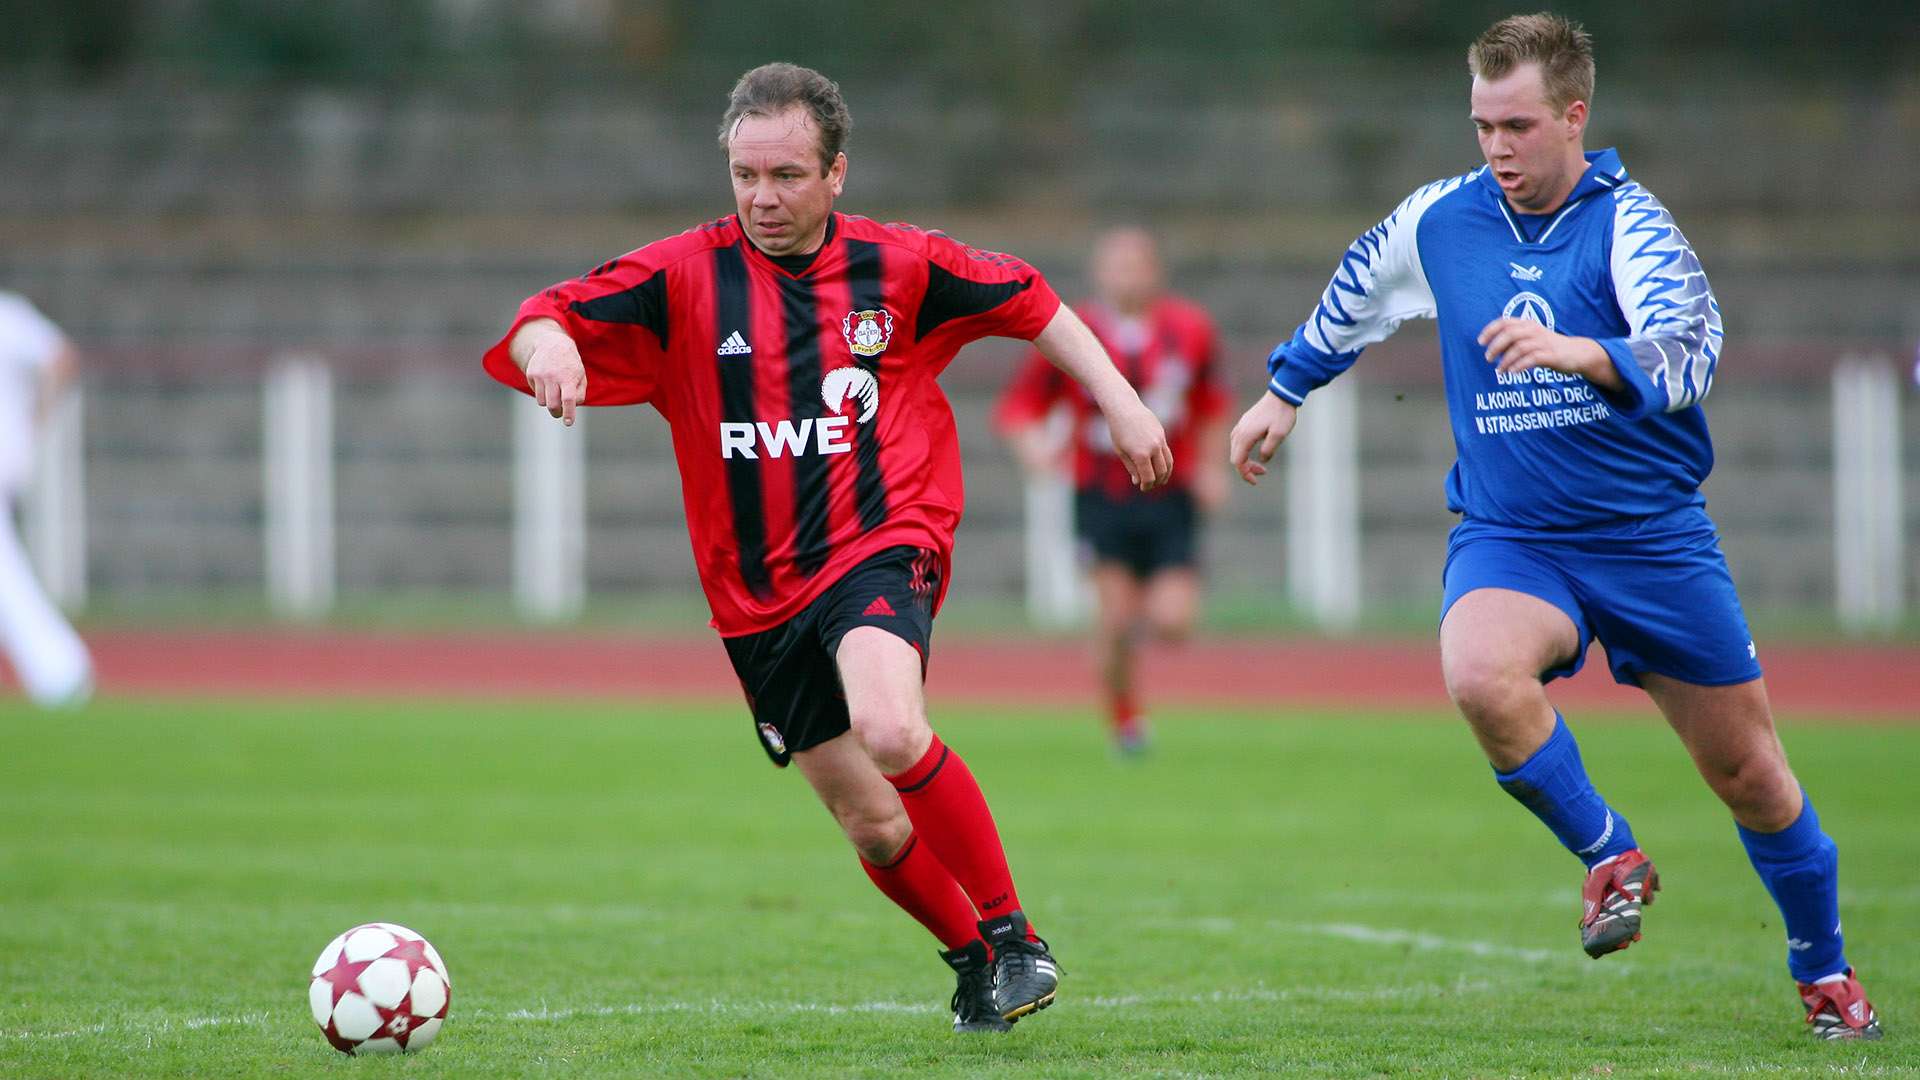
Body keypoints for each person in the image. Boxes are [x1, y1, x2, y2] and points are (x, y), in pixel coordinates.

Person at [1228, 13, 1881, 1040]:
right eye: (1483, 125)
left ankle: (1825, 972)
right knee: (1479, 674)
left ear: (1575, 117)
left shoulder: (1629, 224)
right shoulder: (1440, 218)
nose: (1497, 148)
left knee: (1751, 777)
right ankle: (1610, 852)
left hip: (1651, 538)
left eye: (1518, 126)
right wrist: (1284, 390)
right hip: (1514, 535)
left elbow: (1693, 349)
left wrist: (1584, 351)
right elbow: (1356, 287)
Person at [483, 63, 1171, 1033]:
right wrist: (550, 345)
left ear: (836, 173)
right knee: (872, 821)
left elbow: (1033, 300)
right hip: (752, 593)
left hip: (882, 537)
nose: (763, 197)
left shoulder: (901, 265)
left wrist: (1121, 401)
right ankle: (975, 965)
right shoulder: (683, 275)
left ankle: (1015, 937)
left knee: (890, 727)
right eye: (745, 175)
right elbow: (538, 318)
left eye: (787, 175)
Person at [994, 227, 1228, 753]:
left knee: (1173, 621)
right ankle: (1126, 721)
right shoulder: (1072, 331)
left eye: (1137, 265)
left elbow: (1212, 403)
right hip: (1102, 496)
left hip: (1169, 493)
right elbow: (1020, 407)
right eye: (1117, 266)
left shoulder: (1190, 329)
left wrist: (1212, 469)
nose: (1127, 277)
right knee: (1117, 618)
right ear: (1099, 274)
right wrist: (1034, 448)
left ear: (1156, 272)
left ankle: (1118, 634)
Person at [0, 290, 92, 709]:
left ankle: (60, 670)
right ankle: (59, 669)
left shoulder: (7, 316)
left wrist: (35, 418)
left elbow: (61, 358)